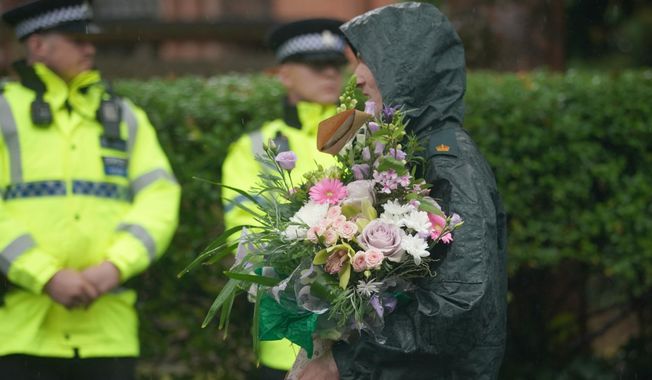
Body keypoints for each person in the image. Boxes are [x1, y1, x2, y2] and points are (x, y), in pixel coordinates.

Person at [297, 3, 508, 380]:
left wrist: (346, 363)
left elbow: (459, 303)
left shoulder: (447, 161)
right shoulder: (411, 151)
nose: (357, 78)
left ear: (410, 68)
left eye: (369, 62)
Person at [0, 1, 180, 379]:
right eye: (75, 39)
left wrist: (117, 265)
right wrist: (44, 274)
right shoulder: (4, 114)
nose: (90, 48)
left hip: (108, 335)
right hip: (18, 331)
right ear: (37, 46)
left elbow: (160, 196)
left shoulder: (125, 116)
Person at [221, 18, 347, 380]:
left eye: (335, 65)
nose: (329, 74)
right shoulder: (256, 148)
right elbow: (247, 236)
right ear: (284, 74)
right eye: (314, 65)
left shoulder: (363, 136)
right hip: (286, 342)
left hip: (363, 344)